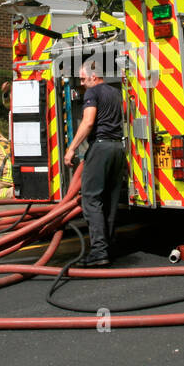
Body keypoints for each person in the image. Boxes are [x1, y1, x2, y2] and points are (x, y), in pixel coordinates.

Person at [66, 60, 124, 268]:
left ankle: (99, 251)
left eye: (83, 78)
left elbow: (88, 122)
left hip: (100, 148)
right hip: (118, 149)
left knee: (91, 200)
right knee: (109, 201)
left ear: (94, 75)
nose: (82, 83)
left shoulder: (93, 93)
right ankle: (109, 248)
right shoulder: (116, 93)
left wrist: (72, 148)